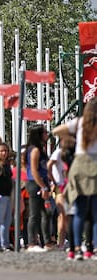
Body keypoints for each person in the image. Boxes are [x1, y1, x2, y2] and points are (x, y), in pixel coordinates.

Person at [53, 97, 97, 260]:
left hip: (79, 164)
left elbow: (56, 131)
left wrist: (72, 138)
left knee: (79, 210)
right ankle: (93, 248)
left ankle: (77, 247)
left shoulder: (79, 123)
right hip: (95, 163)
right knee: (95, 211)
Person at [24, 124, 52, 253]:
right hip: (36, 183)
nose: (47, 135)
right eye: (45, 133)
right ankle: (31, 243)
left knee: (45, 213)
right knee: (34, 214)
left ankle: (46, 242)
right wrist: (43, 187)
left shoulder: (41, 149)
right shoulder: (34, 150)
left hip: (42, 182)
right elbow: (34, 170)